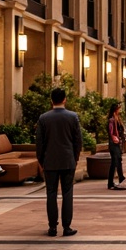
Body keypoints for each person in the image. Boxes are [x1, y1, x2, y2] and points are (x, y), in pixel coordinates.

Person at [36, 87, 82, 237]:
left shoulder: (43, 118)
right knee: (68, 193)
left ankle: (52, 228)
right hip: (68, 160)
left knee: (51, 193)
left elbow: (39, 143)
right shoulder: (72, 117)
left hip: (50, 161)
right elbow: (78, 141)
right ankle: (67, 226)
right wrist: (75, 157)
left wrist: (41, 160)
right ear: (64, 99)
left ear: (51, 100)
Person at [107, 102, 126, 191]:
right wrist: (114, 138)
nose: (120, 110)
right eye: (119, 108)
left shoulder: (117, 119)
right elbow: (111, 132)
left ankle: (121, 178)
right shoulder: (112, 120)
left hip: (117, 143)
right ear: (116, 109)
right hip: (114, 143)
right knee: (114, 162)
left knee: (118, 160)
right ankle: (111, 183)